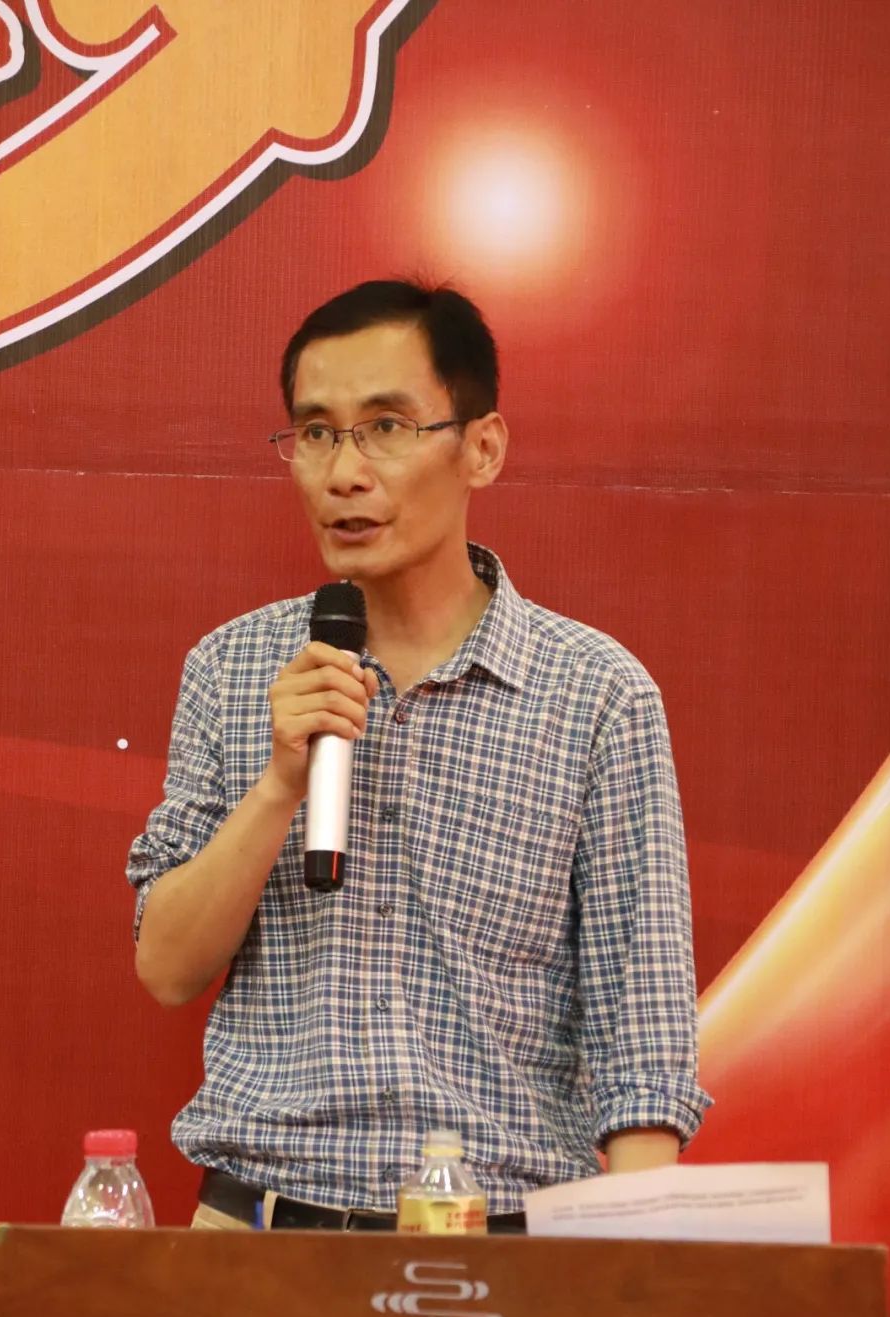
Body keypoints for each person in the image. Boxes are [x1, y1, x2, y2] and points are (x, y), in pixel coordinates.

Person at [127, 279, 710, 1233]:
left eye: (387, 428)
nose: (344, 473)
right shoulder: (233, 669)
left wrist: (634, 1278)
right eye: (316, 433)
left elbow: (642, 1042)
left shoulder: (595, 694)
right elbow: (167, 967)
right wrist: (279, 785)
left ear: (482, 447)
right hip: (257, 1235)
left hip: (500, 1244)